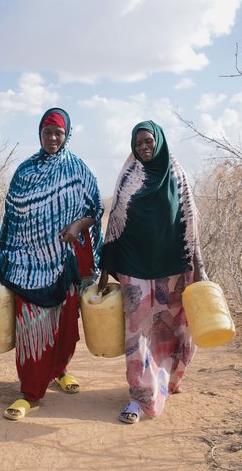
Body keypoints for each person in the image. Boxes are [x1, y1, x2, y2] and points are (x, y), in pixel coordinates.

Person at [0, 107, 104, 420]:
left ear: (67, 135)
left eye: (58, 133)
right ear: (39, 133)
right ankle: (30, 392)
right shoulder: (24, 172)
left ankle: (60, 371)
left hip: (65, 262)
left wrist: (78, 227)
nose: (53, 138)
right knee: (31, 327)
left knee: (64, 326)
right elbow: (10, 219)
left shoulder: (78, 170)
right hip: (27, 263)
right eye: (47, 132)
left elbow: (95, 208)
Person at [97, 120, 207, 424]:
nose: (144, 148)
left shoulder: (176, 175)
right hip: (134, 268)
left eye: (148, 141)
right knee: (138, 333)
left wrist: (198, 266)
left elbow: (191, 222)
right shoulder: (128, 177)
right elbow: (115, 223)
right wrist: (106, 268)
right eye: (138, 144)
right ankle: (140, 397)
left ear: (159, 141)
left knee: (172, 330)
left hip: (172, 270)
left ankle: (169, 380)